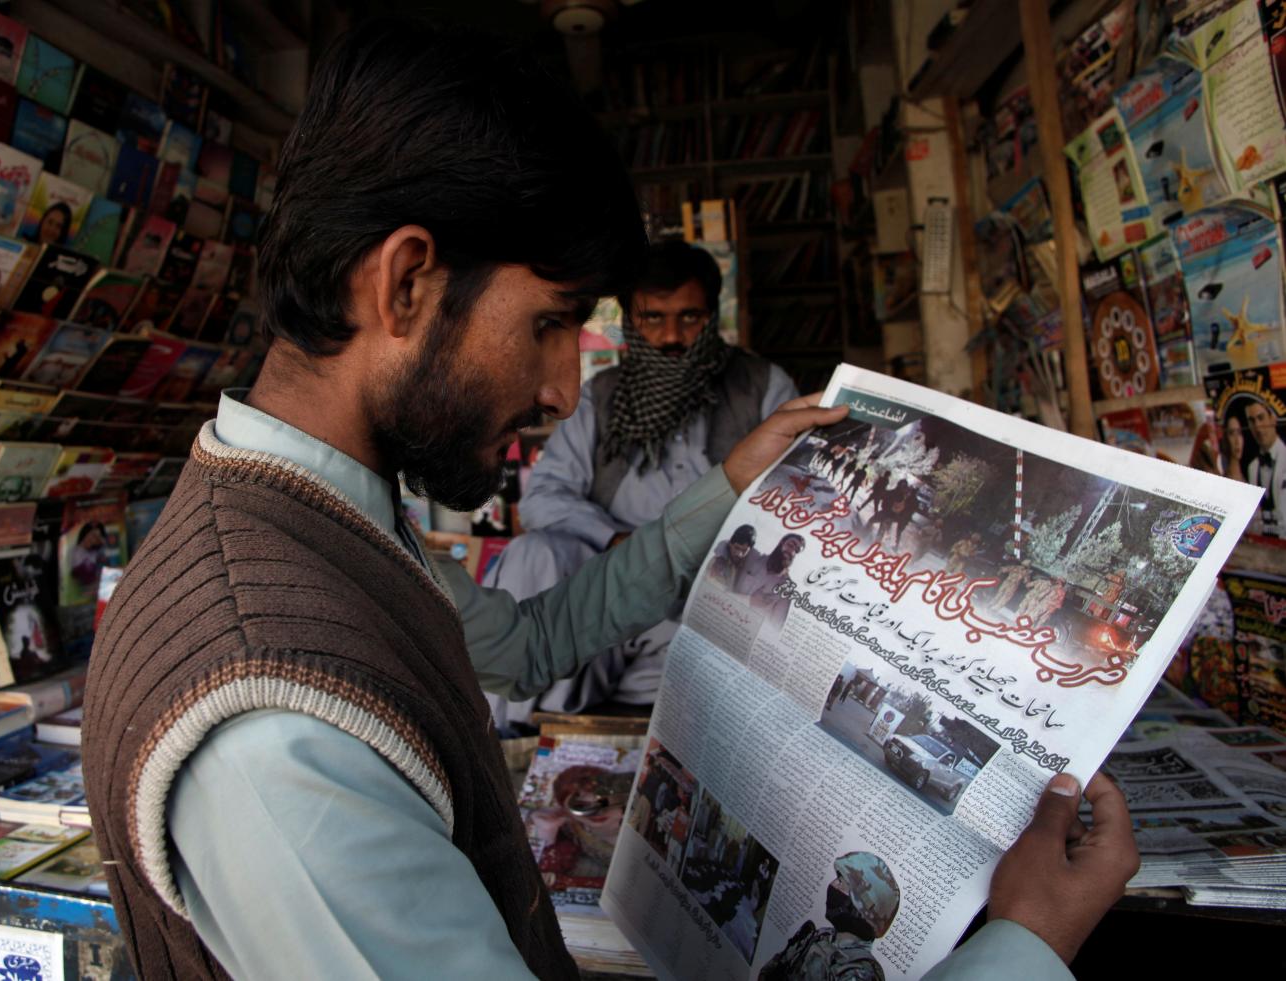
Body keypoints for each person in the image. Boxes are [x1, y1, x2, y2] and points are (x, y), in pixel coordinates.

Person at [83, 19, 1140, 981]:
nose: (556, 387)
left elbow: (542, 637)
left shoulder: (325, 526)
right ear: (406, 283)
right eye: (549, 323)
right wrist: (1028, 947)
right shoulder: (274, 738)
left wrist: (727, 487)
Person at [484, 239, 798, 721]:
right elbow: (544, 498)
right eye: (653, 319)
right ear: (631, 321)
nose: (671, 337)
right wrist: (618, 541)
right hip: (609, 592)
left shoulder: (761, 386)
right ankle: (525, 734)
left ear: (713, 316)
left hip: (708, 594)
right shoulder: (601, 396)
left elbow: (788, 508)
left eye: (689, 318)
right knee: (533, 553)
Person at [759, 851, 900, 981]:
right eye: (837, 879)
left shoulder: (860, 973)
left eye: (841, 883)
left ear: (861, 909)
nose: (833, 885)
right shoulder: (820, 936)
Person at [1245, 398, 1285, 536]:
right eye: (1252, 421)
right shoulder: (1252, 467)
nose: (1257, 427)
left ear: (1272, 419)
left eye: (1261, 418)